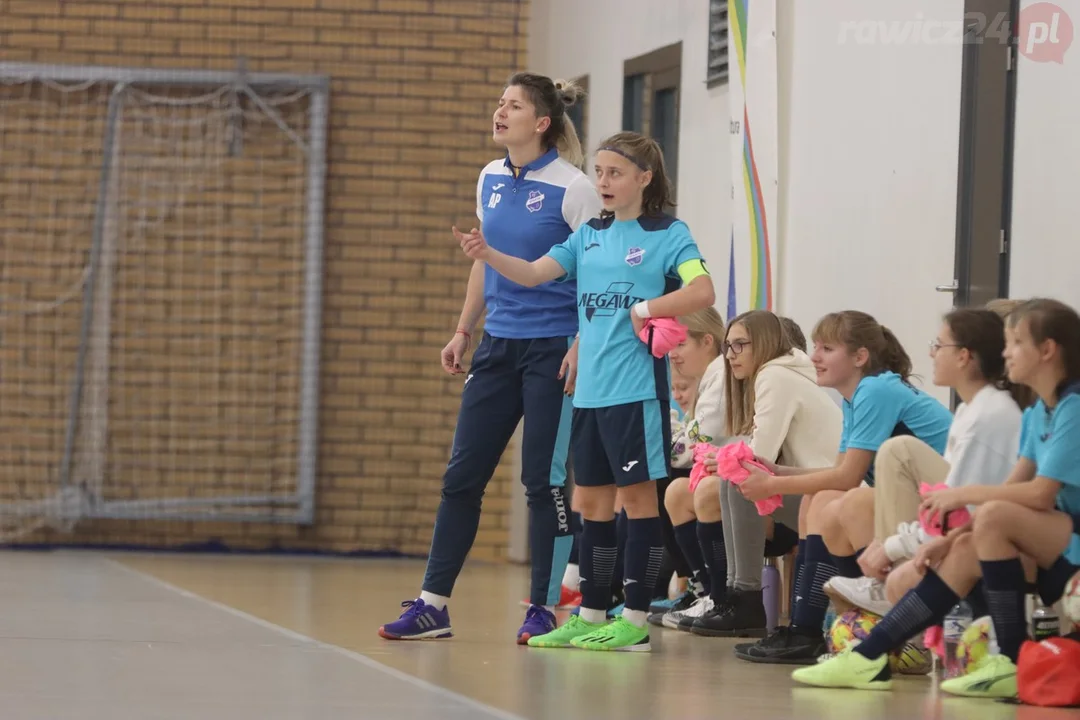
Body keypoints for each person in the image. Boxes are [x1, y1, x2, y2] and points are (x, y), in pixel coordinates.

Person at [458, 131, 716, 652]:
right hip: (589, 391)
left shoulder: (668, 232)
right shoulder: (589, 234)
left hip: (636, 391)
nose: (603, 182)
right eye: (599, 172)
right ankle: (592, 610)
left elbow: (702, 289)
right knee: (592, 504)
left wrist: (647, 309)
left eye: (615, 173)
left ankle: (637, 621)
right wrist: (488, 253)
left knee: (638, 501)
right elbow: (533, 274)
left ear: (644, 178)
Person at [378, 73, 602, 644]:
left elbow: (597, 275)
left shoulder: (575, 188)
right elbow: (485, 258)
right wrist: (463, 329)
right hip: (498, 347)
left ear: (542, 122)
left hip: (553, 351)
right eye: (499, 104)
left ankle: (543, 609)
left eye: (514, 106)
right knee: (461, 478)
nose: (500, 113)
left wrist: (581, 340)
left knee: (542, 482)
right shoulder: (491, 177)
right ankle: (432, 605)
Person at [792, 299, 1080, 698]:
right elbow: (1016, 489)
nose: (1007, 351)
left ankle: (1008, 657)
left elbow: (1038, 494)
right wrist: (944, 541)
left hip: (1066, 541)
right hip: (1045, 539)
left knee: (990, 516)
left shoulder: (1068, 408)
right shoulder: (1035, 414)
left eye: (1015, 342)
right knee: (965, 542)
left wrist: (954, 503)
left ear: (1047, 350)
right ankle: (870, 656)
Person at [732, 310, 954, 664]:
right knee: (817, 498)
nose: (815, 356)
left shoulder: (876, 389)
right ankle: (807, 631)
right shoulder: (856, 396)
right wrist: (779, 472)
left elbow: (847, 478)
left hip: (946, 507)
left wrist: (771, 484)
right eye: (815, 346)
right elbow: (838, 472)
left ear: (860, 357)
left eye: (827, 348)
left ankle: (875, 624)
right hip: (918, 503)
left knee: (843, 501)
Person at [823, 308, 1024, 617]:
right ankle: (827, 621)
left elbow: (962, 502)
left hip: (996, 526)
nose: (931, 353)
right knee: (832, 501)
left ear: (964, 356)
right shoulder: (970, 410)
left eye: (938, 345)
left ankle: (886, 585)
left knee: (892, 456)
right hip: (958, 513)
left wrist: (893, 546)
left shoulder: (991, 414)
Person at [683, 311, 842, 637]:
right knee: (732, 476)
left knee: (738, 476)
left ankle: (744, 597)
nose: (730, 356)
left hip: (829, 493)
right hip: (813, 486)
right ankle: (734, 596)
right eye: (728, 347)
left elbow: (760, 455)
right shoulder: (776, 374)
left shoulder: (775, 376)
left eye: (740, 345)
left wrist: (722, 457)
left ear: (766, 343)